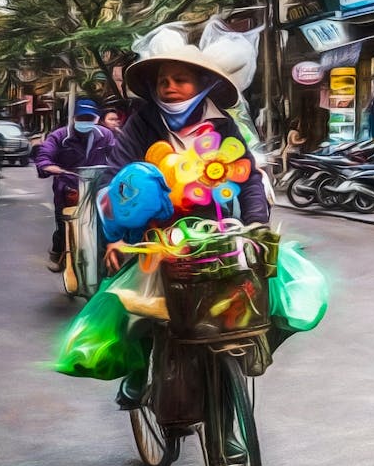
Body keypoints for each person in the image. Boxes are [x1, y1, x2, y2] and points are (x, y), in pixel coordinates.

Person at [105, 43, 270, 408]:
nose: (169, 87)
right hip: (152, 234)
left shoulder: (223, 125)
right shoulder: (143, 122)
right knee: (139, 309)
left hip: (214, 230)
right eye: (163, 81)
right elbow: (118, 178)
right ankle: (137, 371)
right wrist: (115, 237)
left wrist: (257, 224)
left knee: (254, 295)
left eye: (180, 79)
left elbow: (248, 178)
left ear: (202, 84)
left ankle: (240, 363)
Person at [34, 99, 116, 272]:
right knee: (64, 224)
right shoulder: (59, 136)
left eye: (89, 118)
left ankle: (109, 255)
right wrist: (48, 166)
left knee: (109, 222)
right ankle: (58, 252)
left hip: (98, 187)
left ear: (96, 119)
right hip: (69, 188)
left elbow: (117, 155)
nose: (85, 121)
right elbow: (44, 155)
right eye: (81, 118)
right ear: (73, 118)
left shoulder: (106, 135)